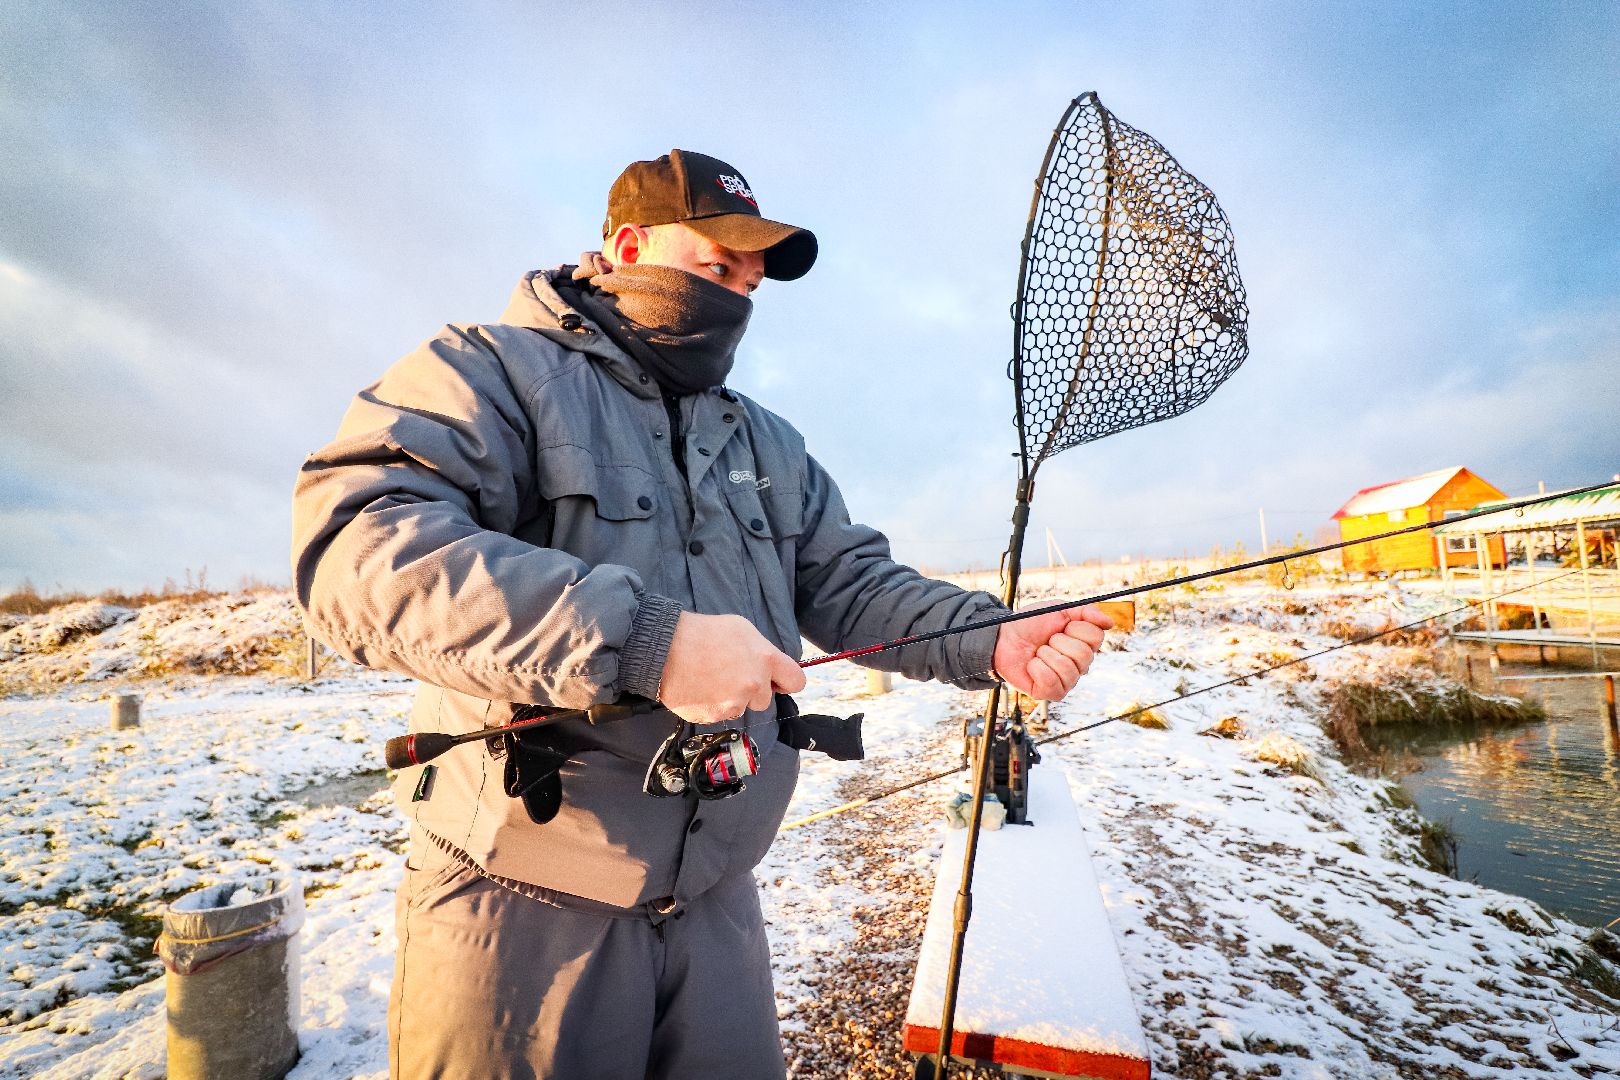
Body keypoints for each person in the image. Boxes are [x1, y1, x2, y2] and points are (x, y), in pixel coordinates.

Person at [290, 148, 1111, 1080]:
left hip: (717, 903)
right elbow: (357, 548)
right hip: (517, 905)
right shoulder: (487, 370)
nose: (736, 297)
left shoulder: (767, 439)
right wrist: (648, 643)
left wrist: (989, 637)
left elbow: (847, 582)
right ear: (626, 246)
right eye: (715, 268)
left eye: (751, 280)